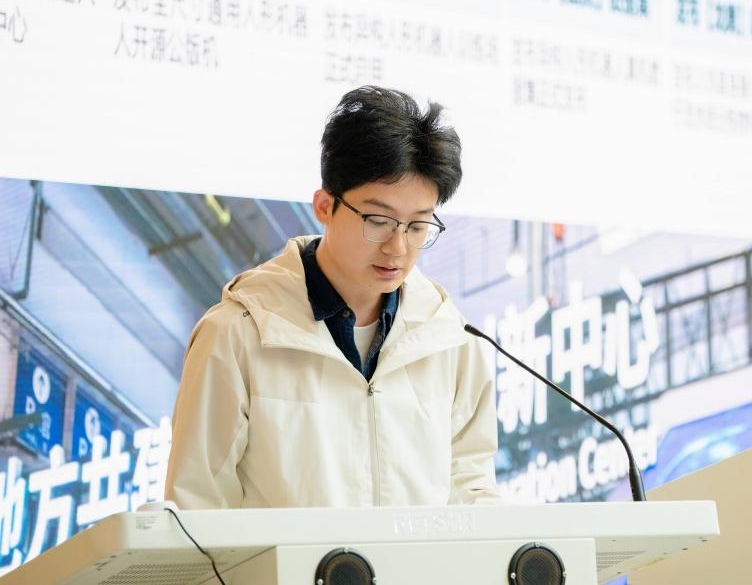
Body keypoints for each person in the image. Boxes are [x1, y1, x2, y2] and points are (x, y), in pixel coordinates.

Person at [164, 86, 500, 509]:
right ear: (324, 206)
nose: (397, 247)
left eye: (417, 226)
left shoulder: (451, 339)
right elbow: (197, 509)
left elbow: (472, 493)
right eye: (378, 220)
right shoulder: (237, 335)